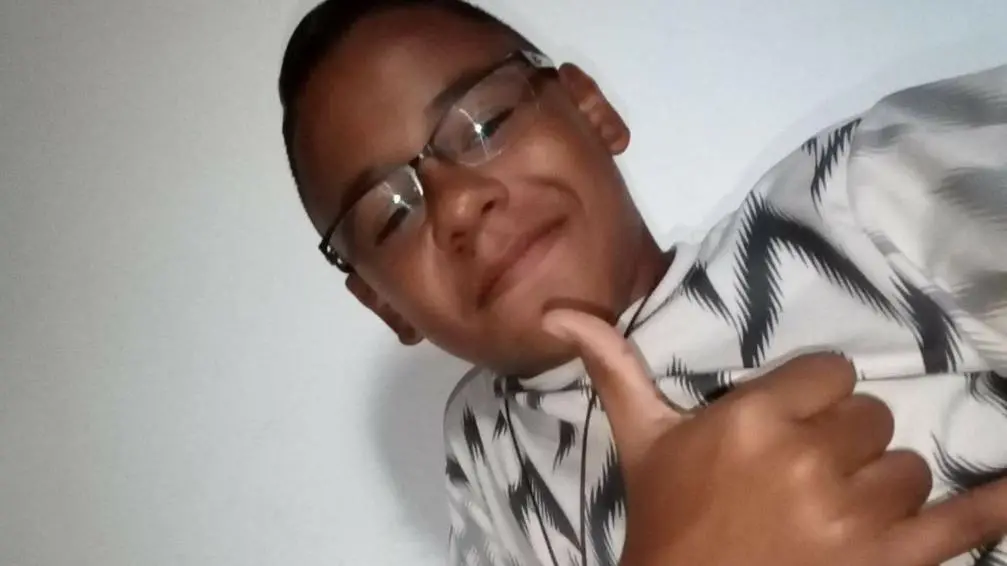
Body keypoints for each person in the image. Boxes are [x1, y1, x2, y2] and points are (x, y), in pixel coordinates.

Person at [276, 0, 1007, 564]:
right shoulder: (483, 450)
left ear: (590, 112)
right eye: (388, 215)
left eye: (486, 122)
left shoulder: (862, 196)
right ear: (384, 304)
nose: (458, 204)